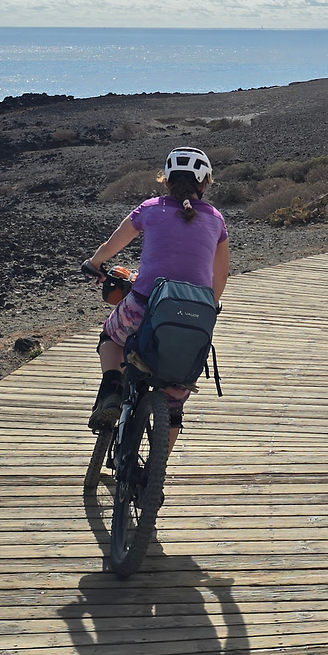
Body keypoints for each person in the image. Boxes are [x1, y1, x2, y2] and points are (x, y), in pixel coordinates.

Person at [82, 146, 229, 445]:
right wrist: (210, 305)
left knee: (110, 337)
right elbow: (221, 275)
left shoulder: (150, 209)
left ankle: (112, 389)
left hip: (144, 306)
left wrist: (95, 264)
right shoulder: (216, 219)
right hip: (192, 318)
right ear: (204, 183)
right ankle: (154, 479)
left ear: (166, 180)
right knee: (174, 403)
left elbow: (113, 245)